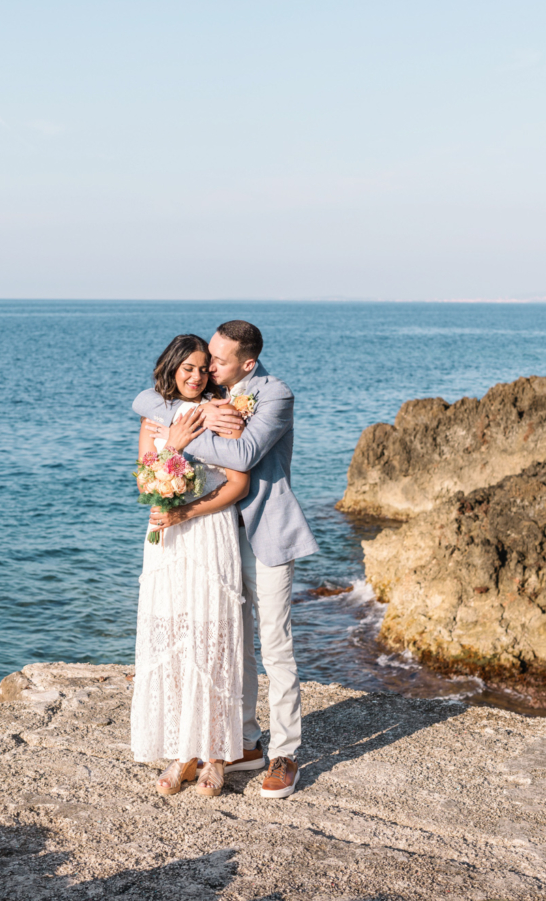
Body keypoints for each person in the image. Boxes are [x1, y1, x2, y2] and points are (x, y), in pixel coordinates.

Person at [133, 320, 318, 799]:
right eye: (208, 358)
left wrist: (179, 435)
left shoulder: (275, 395)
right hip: (214, 539)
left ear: (247, 363)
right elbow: (149, 399)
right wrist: (195, 418)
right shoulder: (213, 389)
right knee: (229, 644)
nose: (210, 368)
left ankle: (285, 754)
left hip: (264, 534)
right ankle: (243, 741)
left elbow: (245, 452)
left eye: (218, 360)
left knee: (275, 643)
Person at [130, 334, 252, 797]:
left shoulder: (223, 412)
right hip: (165, 535)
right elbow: (145, 478)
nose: (197, 376)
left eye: (204, 368)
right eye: (188, 368)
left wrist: (188, 510)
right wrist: (173, 445)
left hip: (208, 529)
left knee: (212, 638)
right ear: (172, 367)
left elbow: (237, 483)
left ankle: (217, 757)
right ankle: (183, 753)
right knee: (175, 636)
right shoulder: (153, 414)